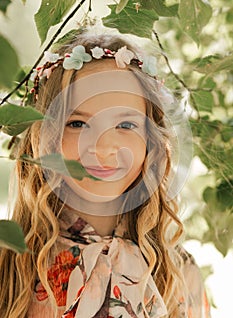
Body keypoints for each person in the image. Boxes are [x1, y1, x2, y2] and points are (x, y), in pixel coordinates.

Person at [0, 28, 210, 317]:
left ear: (151, 141)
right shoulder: (9, 264)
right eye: (77, 124)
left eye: (126, 125)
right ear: (45, 136)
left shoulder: (178, 274)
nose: (102, 148)